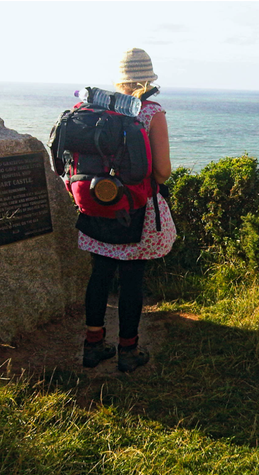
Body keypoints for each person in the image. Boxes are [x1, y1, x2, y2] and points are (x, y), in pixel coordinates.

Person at [81, 48, 176, 372]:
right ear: (148, 78)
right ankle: (128, 351)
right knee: (132, 281)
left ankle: (93, 345)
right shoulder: (151, 113)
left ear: (120, 81)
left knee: (99, 276)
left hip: (96, 205)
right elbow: (162, 172)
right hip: (136, 210)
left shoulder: (92, 109)